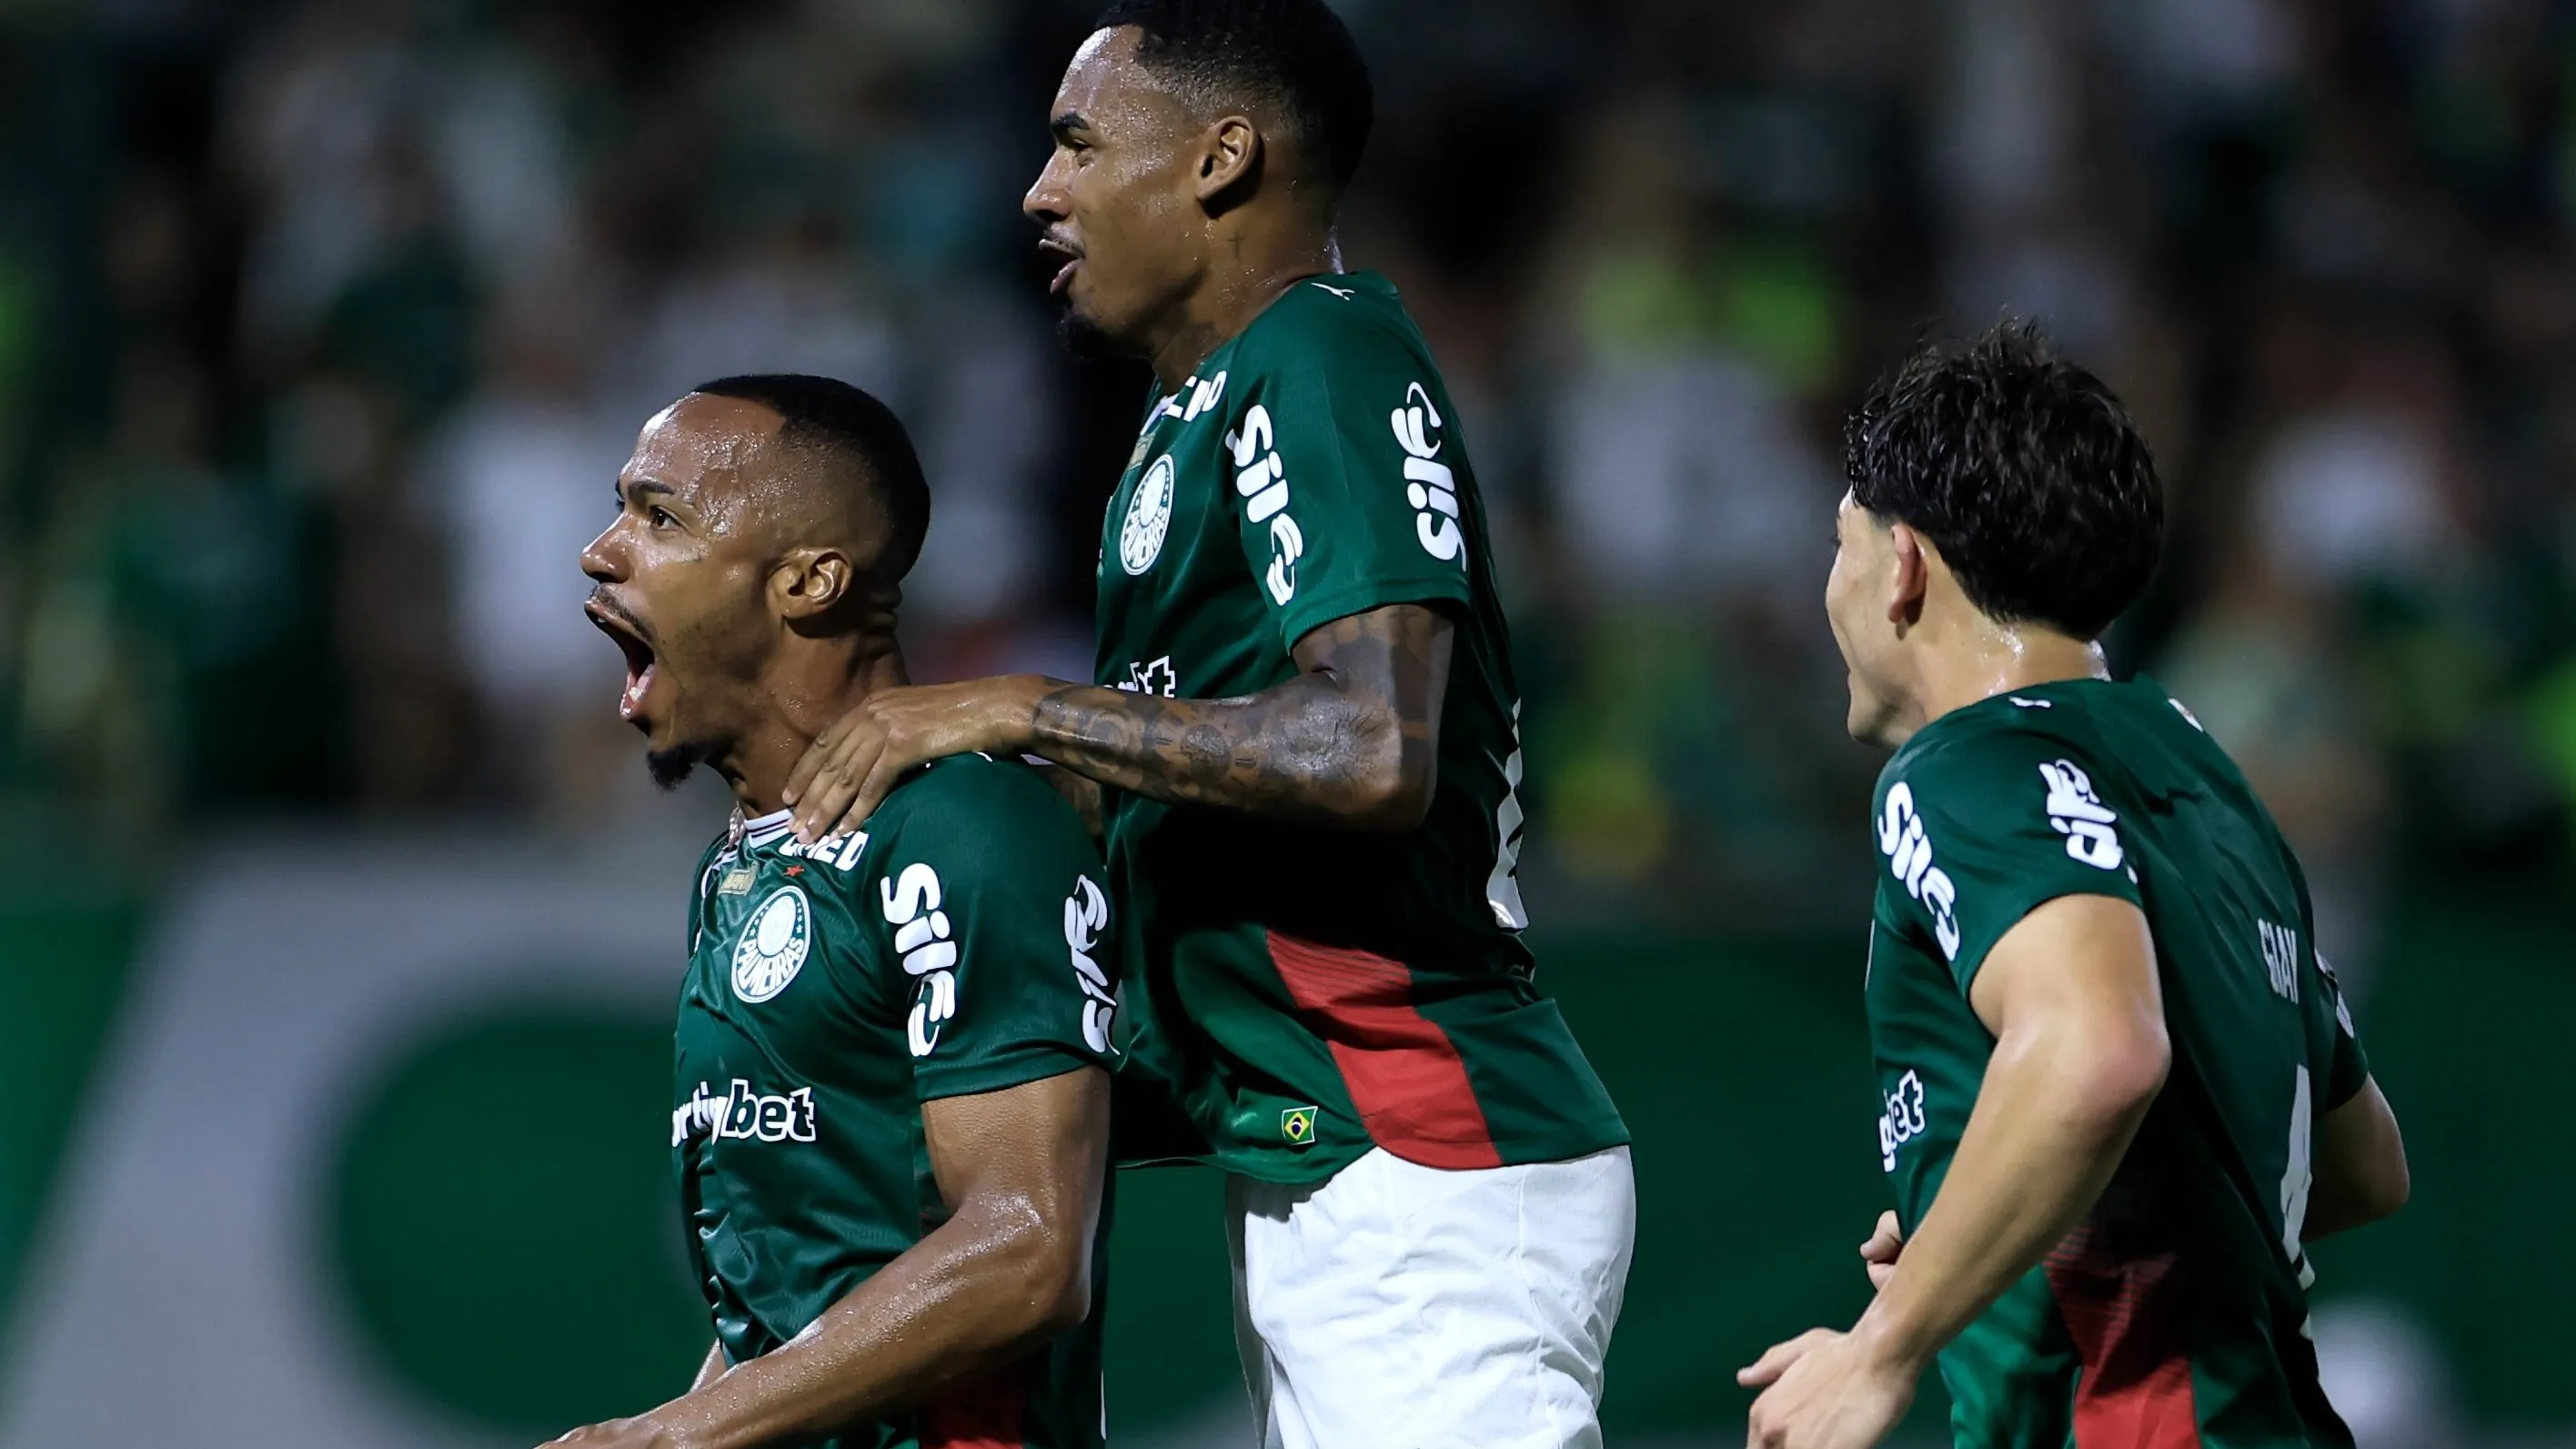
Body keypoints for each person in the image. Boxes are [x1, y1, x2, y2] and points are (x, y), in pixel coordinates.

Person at [781, 4, 1635, 1445]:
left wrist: (1028, 707)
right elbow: (1193, 800)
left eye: (1077, 142)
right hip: (1333, 1152)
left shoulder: (1319, 361)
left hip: (1416, 1139)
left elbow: (1372, 747)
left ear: (1222, 160)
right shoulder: (1192, 421)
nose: (1039, 190)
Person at [1739, 325, 2411, 1449]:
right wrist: (2010, 1223)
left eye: (1839, 545)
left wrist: (1884, 1342)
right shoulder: (2210, 784)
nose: (1831, 590)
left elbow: (2100, 1050)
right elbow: (2362, 1165)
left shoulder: (1966, 769)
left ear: (1902, 566)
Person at [547, 376, 1121, 1449]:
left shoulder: (961, 827)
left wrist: (680, 1438)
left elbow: (1030, 1250)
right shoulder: (738, 872)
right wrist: (684, 1420)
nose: (600, 550)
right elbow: (790, 1304)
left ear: (810, 581)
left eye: (659, 516)